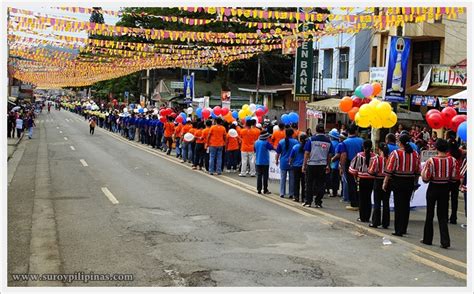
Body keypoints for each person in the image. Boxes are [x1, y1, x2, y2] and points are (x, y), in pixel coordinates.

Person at [420, 139, 458, 249]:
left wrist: (423, 175)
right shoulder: (452, 160)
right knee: (443, 216)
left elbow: (426, 178)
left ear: (436, 148)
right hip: (445, 188)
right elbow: (454, 177)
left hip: (433, 187)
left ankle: (427, 239)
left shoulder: (431, 161)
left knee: (430, 214)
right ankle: (445, 241)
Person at [383, 134, 421, 237]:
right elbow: (418, 170)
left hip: (398, 181)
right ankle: (403, 228)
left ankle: (398, 229)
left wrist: (385, 182)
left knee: (398, 205)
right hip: (409, 182)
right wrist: (415, 182)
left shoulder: (395, 154)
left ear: (400, 143)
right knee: (406, 205)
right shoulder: (415, 154)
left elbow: (389, 169)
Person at [303, 123, 333, 208]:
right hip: (322, 165)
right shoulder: (328, 141)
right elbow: (330, 155)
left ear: (316, 130)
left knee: (309, 183)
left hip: (311, 164)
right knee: (321, 184)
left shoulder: (311, 139)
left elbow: (306, 153)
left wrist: (304, 165)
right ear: (323, 130)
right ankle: (318, 202)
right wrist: (328, 165)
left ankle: (308, 201)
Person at [349, 139, 377, 223]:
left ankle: (362, 217)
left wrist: (355, 177)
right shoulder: (375, 156)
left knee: (362, 198)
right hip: (371, 180)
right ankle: (367, 217)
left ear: (363, 147)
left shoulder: (359, 156)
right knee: (368, 198)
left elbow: (353, 169)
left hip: (361, 179)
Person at [339, 124, 364, 211]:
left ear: (347, 132)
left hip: (350, 164)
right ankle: (360, 202)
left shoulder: (344, 143)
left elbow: (343, 155)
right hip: (361, 163)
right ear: (356, 131)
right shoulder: (361, 140)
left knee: (351, 183)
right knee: (359, 183)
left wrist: (342, 167)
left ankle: (354, 203)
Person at [368, 143, 391, 229]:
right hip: (388, 181)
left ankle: (375, 222)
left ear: (379, 150)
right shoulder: (389, 159)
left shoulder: (376, 159)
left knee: (377, 202)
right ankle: (386, 223)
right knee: (386, 202)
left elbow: (370, 172)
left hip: (378, 181)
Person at [446, 130, 466, 224]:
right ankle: (454, 217)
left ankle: (445, 216)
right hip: (457, 178)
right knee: (455, 199)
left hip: (448, 178)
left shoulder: (448, 155)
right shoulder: (460, 152)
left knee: (445, 198)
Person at [276, 128, 298, 198]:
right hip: (292, 162)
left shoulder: (281, 142)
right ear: (292, 134)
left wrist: (276, 160)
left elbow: (278, 153)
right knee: (292, 179)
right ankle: (291, 193)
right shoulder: (296, 142)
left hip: (283, 162)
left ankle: (282, 193)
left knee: (283, 178)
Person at [289, 133, 307, 202]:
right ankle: (303, 197)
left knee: (296, 182)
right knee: (304, 183)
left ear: (299, 139)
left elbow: (291, 157)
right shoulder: (307, 147)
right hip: (304, 166)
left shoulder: (295, 147)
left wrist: (290, 163)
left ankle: (296, 196)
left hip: (296, 166)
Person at [328, 129, 340, 197]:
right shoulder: (339, 143)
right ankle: (335, 191)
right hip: (337, 164)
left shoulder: (331, 143)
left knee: (332, 179)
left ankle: (332, 192)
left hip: (332, 163)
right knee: (336, 179)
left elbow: (330, 153)